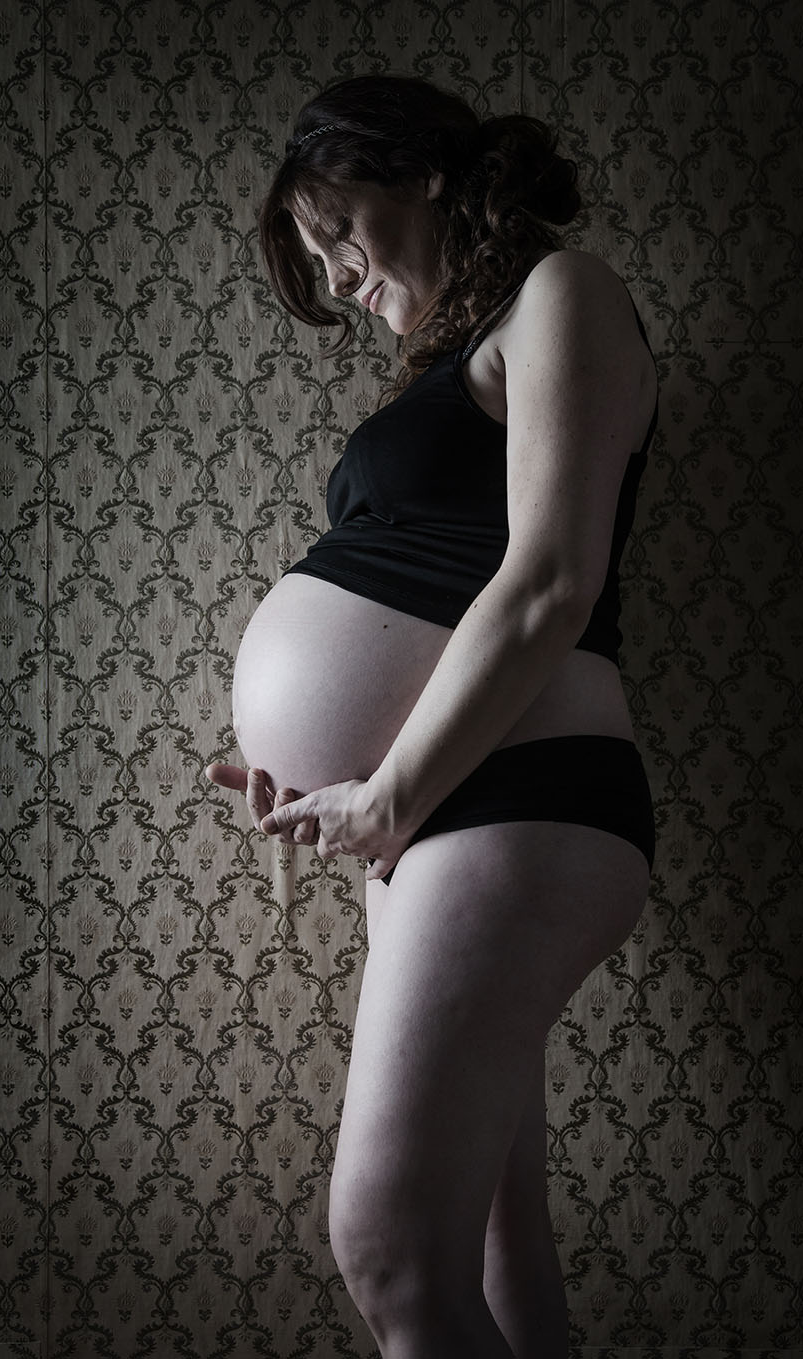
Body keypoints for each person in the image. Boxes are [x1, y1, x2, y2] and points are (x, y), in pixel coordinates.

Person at [206, 73, 657, 1359]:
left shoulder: (565, 295)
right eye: (316, 260)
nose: (338, 279)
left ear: (425, 174)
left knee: (392, 1247)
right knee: (500, 1250)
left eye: (336, 229)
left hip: (510, 797)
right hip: (420, 812)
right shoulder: (448, 363)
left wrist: (389, 789)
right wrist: (332, 781)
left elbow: (552, 579)